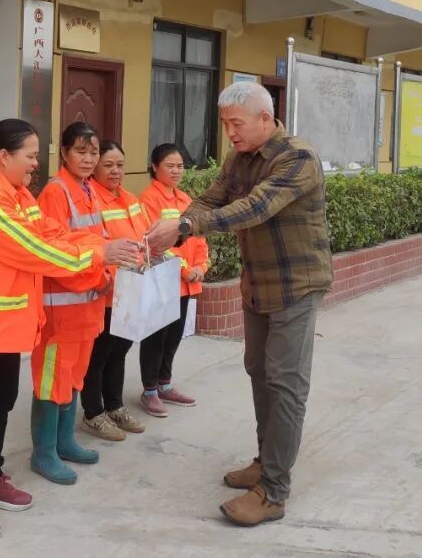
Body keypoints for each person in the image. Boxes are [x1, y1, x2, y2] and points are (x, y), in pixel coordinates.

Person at [0, 119, 141, 541]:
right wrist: (99, 255)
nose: (36, 163)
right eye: (31, 155)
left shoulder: (17, 193)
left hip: (4, 321)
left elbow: (53, 232)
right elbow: (35, 250)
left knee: (1, 402)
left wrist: (100, 247)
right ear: (4, 156)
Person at [146, 81, 331, 528]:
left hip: (295, 287)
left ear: (265, 119)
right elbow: (212, 198)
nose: (229, 132)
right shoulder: (238, 157)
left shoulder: (297, 157)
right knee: (259, 373)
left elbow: (254, 207)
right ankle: (265, 461)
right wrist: (178, 222)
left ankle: (274, 491)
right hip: (257, 285)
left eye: (236, 123)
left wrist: (185, 228)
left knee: (285, 383)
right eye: (225, 124)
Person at [31, 122, 112, 483]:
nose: (89, 158)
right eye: (81, 151)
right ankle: (44, 453)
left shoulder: (88, 189)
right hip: (61, 309)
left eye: (93, 152)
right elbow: (55, 253)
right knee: (52, 379)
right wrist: (98, 277)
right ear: (64, 153)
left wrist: (107, 275)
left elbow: (100, 242)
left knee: (74, 375)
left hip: (87, 305)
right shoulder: (56, 191)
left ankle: (65, 441)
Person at [79, 140, 147, 440]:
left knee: (119, 351)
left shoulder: (130, 198)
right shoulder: (92, 200)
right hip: (106, 291)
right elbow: (93, 244)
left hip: (132, 288)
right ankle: (93, 413)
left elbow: (144, 237)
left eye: (120, 165)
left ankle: (115, 406)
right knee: (99, 354)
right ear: (95, 168)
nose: (115, 171)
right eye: (108, 165)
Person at [138, 144, 209, 418]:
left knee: (174, 336)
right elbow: (154, 243)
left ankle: (165, 384)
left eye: (180, 165)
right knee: (156, 337)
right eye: (170, 165)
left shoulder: (185, 199)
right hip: (163, 281)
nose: (177, 170)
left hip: (186, 282)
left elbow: (198, 236)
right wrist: (185, 269)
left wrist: (201, 265)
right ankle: (149, 391)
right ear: (155, 167)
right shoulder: (148, 200)